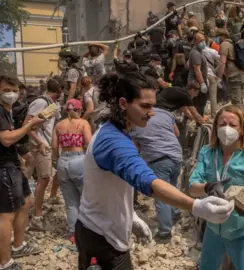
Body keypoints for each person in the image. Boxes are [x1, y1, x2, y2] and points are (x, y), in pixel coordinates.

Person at [75, 72, 234, 269]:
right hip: (101, 238)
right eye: (145, 106)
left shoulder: (115, 131)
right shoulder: (114, 142)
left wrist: (128, 215)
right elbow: (150, 183)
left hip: (99, 229)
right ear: (123, 104)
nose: (152, 112)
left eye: (153, 105)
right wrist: (196, 206)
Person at [188, 105, 244, 270]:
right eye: (222, 124)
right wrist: (208, 186)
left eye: (233, 125)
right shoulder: (207, 152)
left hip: (241, 231)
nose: (227, 129)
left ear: (242, 129)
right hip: (212, 228)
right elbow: (192, 187)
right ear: (215, 126)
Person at [0, 76, 44, 270]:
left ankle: (18, 245)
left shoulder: (8, 112)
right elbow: (6, 139)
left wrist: (30, 130)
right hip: (3, 169)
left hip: (12, 165)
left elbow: (14, 139)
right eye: (7, 89)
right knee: (6, 215)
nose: (12, 93)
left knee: (25, 203)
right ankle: (5, 262)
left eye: (15, 90)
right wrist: (28, 125)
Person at [130, 101, 183, 244]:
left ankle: (165, 232)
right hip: (176, 155)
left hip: (158, 159)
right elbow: (176, 132)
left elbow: (135, 147)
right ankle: (176, 213)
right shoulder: (166, 113)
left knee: (161, 195)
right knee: (173, 185)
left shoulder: (136, 123)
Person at [52, 99, 92, 243]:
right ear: (79, 109)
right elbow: (89, 143)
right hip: (79, 160)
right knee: (86, 198)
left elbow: (55, 148)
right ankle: (88, 230)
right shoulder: (83, 123)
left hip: (63, 161)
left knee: (70, 202)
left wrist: (57, 161)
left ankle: (73, 233)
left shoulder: (59, 125)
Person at [25, 77, 63, 231]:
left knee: (47, 177)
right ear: (59, 91)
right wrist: (40, 142)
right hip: (40, 146)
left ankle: (39, 208)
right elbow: (27, 124)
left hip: (47, 144)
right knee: (44, 179)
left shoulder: (52, 104)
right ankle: (37, 216)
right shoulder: (41, 102)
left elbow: (52, 124)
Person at [216, 28, 244, 106]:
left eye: (218, 36)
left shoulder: (224, 44)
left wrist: (219, 78)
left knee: (236, 103)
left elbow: (222, 62)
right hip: (243, 74)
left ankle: (240, 117)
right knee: (240, 101)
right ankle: (242, 116)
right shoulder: (234, 43)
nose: (217, 39)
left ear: (223, 36)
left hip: (234, 76)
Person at [189, 33, 209, 115]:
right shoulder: (196, 53)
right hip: (197, 82)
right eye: (201, 40)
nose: (203, 42)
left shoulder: (199, 51)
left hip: (197, 81)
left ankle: (196, 122)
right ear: (195, 41)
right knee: (199, 103)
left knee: (196, 103)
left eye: (204, 40)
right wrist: (202, 83)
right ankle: (199, 124)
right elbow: (197, 70)